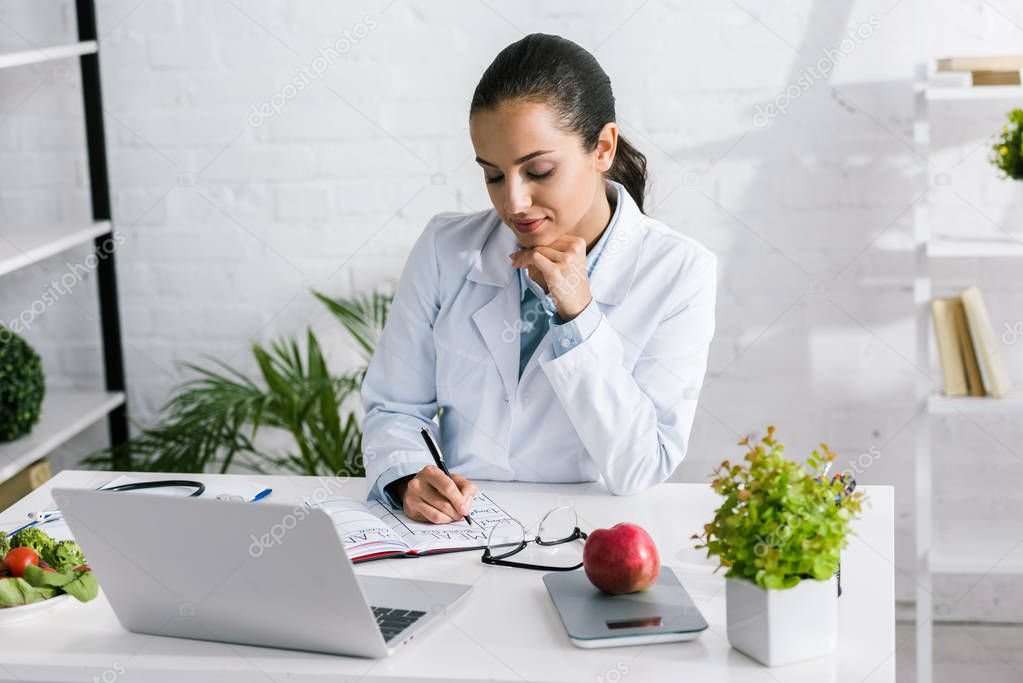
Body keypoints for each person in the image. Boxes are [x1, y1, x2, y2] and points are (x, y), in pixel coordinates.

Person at [361, 33, 716, 524]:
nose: (514, 202)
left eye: (540, 171)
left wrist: (579, 314)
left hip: (588, 536)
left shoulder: (679, 272)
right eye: (492, 175)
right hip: (456, 531)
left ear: (603, 148)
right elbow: (395, 406)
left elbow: (640, 466)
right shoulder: (447, 249)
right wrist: (406, 476)